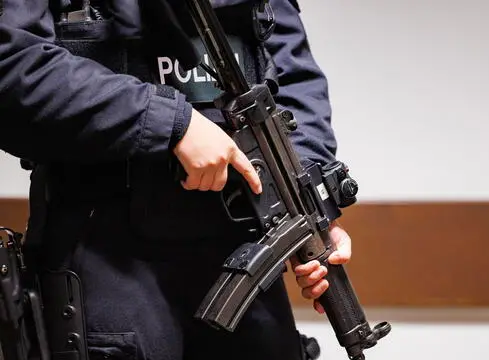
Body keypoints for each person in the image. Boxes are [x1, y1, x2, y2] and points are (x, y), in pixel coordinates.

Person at [0, 0, 354, 359]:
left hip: (246, 253)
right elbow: (12, 70)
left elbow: (294, 79)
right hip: (109, 263)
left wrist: (305, 196)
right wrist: (171, 123)